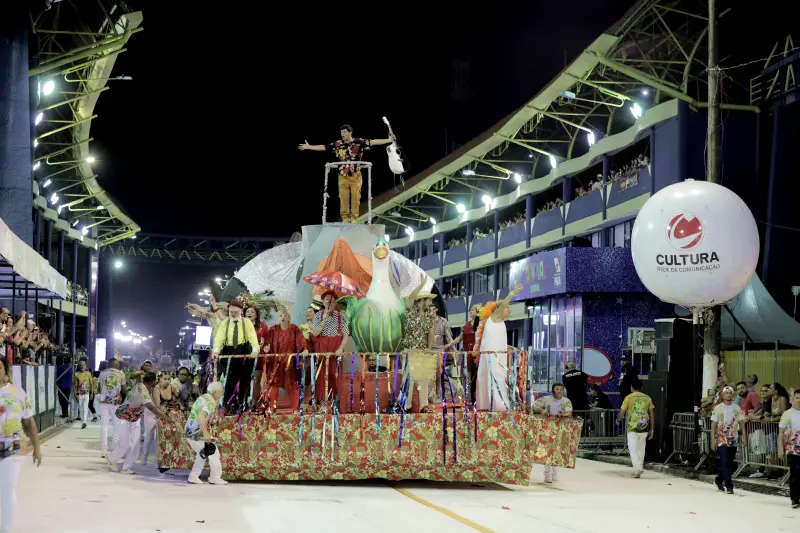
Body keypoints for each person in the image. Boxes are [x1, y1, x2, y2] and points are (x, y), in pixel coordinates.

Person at [298, 124, 396, 223]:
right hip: (342, 176)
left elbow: (373, 142)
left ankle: (354, 218)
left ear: (350, 132)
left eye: (345, 132)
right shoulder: (338, 144)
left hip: (355, 176)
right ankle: (345, 219)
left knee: (355, 198)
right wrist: (309, 147)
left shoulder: (359, 142)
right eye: (341, 132)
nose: (343, 134)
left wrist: (388, 140)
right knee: (343, 198)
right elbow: (323, 147)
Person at [0, 357, 42, 533]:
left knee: (7, 489)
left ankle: (6, 528)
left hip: (13, 446)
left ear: (6, 373)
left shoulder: (18, 393)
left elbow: (29, 422)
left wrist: (37, 448)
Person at [106, 371, 169, 475]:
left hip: (135, 418)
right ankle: (112, 458)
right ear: (154, 381)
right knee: (125, 443)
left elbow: (131, 376)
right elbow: (152, 408)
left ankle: (126, 467)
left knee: (135, 444)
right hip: (124, 417)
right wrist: (165, 418)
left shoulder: (138, 384)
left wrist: (140, 372)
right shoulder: (144, 393)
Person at [474, 284, 523, 412]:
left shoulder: (500, 323)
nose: (509, 310)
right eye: (507, 308)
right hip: (491, 358)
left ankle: (492, 404)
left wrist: (509, 347)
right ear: (500, 310)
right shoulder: (494, 318)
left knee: (497, 378)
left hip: (498, 357)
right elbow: (502, 305)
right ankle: (498, 405)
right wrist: (512, 293)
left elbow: (495, 340)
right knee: (494, 378)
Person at [211, 299, 259, 410]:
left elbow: (252, 337)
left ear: (241, 311)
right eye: (231, 312)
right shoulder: (225, 323)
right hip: (229, 353)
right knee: (230, 381)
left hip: (244, 353)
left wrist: (255, 350)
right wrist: (216, 350)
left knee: (245, 380)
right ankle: (227, 405)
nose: (233, 314)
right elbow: (219, 338)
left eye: (235, 312)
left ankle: (242, 404)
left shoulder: (246, 322)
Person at [264, 306, 308, 411]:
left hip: (291, 362)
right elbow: (267, 344)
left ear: (289, 317)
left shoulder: (294, 328)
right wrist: (266, 348)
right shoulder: (273, 329)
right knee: (273, 384)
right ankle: (271, 408)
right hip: (276, 362)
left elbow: (301, 343)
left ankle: (296, 408)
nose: (283, 317)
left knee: (294, 384)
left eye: (285, 315)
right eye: (280, 315)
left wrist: (304, 349)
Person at [310, 291, 350, 406]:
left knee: (335, 374)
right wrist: (324, 318)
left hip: (336, 347)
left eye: (332, 299)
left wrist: (341, 349)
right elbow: (316, 333)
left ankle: (334, 402)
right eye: (327, 299)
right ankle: (322, 402)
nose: (330, 301)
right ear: (323, 302)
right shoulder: (318, 315)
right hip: (322, 347)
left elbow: (345, 334)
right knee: (322, 374)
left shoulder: (340, 316)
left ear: (335, 302)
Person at [401, 279, 435, 413]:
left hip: (422, 351)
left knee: (424, 380)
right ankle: (406, 406)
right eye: (429, 300)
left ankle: (424, 406)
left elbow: (431, 332)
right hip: (410, 350)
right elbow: (410, 297)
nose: (431, 303)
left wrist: (429, 348)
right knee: (408, 380)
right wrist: (421, 285)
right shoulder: (410, 310)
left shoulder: (430, 316)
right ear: (422, 300)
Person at [185, 381, 227, 485]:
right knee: (213, 451)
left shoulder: (204, 397)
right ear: (214, 392)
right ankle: (215, 477)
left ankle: (193, 476)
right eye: (221, 390)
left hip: (190, 430)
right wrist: (206, 434)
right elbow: (201, 416)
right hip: (195, 432)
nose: (222, 392)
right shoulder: (211, 401)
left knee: (202, 453)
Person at [533, 382, 573, 483]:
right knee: (547, 451)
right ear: (553, 390)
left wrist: (563, 414)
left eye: (561, 389)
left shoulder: (566, 401)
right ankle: (547, 475)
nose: (559, 391)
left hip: (561, 428)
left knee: (558, 451)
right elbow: (534, 406)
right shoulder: (546, 399)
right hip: (547, 429)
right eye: (557, 389)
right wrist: (542, 411)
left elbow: (569, 412)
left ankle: (555, 473)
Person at [710, 386, 746, 494]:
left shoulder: (737, 408)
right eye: (726, 393)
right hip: (722, 439)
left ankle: (719, 480)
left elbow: (741, 423)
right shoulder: (718, 408)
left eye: (730, 393)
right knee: (725, 461)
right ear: (723, 395)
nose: (729, 395)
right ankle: (729, 486)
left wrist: (744, 436)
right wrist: (713, 440)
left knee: (728, 463)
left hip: (733, 439)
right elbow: (713, 425)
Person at [617, 378, 654, 478]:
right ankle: (638, 470)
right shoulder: (647, 398)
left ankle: (638, 468)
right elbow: (652, 414)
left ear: (631, 388)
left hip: (632, 427)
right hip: (644, 427)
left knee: (632, 449)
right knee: (641, 449)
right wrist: (652, 429)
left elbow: (622, 412)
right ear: (641, 387)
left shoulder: (628, 398)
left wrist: (618, 420)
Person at [142, 373, 177, 466]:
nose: (167, 381)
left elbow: (178, 397)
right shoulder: (156, 389)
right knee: (149, 435)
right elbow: (157, 405)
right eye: (165, 378)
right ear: (160, 379)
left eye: (169, 379)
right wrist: (164, 412)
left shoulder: (172, 387)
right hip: (152, 412)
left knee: (161, 436)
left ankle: (158, 459)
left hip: (163, 412)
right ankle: (144, 456)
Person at [446, 304, 479, 402]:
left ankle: (476, 397)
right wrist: (450, 344)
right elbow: (460, 338)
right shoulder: (467, 324)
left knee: (476, 377)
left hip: (476, 354)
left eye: (473, 310)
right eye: (471, 310)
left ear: (477, 312)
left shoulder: (480, 324)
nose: (471, 311)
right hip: (466, 354)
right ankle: (467, 397)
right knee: (466, 377)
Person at [97, 358, 125, 457]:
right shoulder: (121, 374)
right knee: (117, 425)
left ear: (108, 365)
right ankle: (113, 448)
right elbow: (124, 390)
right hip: (116, 402)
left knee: (104, 426)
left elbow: (99, 387)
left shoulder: (102, 373)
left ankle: (104, 450)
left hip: (103, 402)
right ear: (117, 365)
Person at [777, 389, 800, 508]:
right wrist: (780, 449)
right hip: (792, 448)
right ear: (793, 399)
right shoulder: (787, 414)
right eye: (797, 398)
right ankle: (794, 498)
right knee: (795, 472)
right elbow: (781, 433)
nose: (799, 400)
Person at [246, 306, 270, 410]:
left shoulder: (262, 325)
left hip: (258, 357)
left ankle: (255, 402)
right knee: (245, 380)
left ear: (256, 315)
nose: (249, 313)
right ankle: (243, 401)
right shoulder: (242, 325)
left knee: (256, 380)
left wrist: (266, 347)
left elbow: (267, 339)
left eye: (252, 311)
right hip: (244, 357)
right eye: (247, 311)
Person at [73, 360, 93, 429]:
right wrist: (76, 393)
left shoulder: (88, 374)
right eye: (81, 365)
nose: (82, 366)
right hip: (79, 394)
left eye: (83, 365)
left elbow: (91, 384)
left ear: (85, 366)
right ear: (79, 366)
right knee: (81, 408)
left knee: (85, 407)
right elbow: (75, 385)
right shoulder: (76, 374)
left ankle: (84, 422)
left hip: (87, 393)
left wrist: (92, 393)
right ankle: (82, 420)